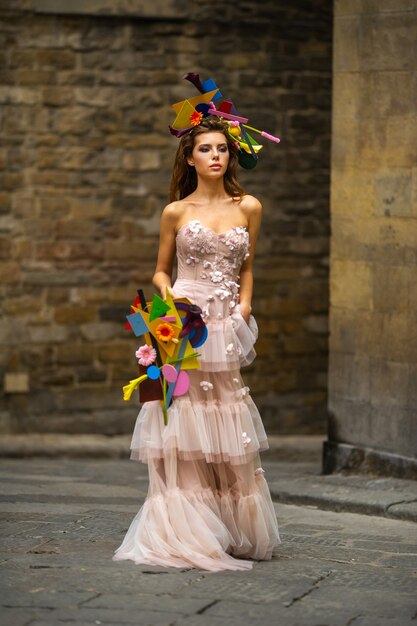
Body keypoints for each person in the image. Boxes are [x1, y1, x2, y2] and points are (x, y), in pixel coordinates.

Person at [113, 92, 280, 571]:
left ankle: (230, 524)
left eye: (221, 149)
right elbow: (160, 272)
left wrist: (245, 305)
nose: (214, 156)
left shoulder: (249, 206)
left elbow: (248, 267)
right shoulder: (176, 212)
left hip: (226, 317)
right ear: (189, 157)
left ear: (231, 155)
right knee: (183, 411)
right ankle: (187, 525)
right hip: (183, 317)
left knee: (225, 410)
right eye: (205, 149)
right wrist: (172, 302)